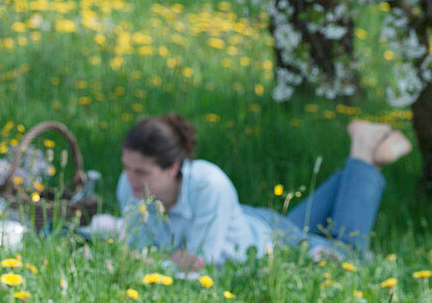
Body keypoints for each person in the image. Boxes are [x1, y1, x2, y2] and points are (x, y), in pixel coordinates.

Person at [116, 113, 412, 271]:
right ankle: (367, 159)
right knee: (310, 231)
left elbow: (198, 266)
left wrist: (155, 262)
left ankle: (363, 150)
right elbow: (139, 254)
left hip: (270, 244)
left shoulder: (208, 184)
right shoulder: (128, 185)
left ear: (173, 167)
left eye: (142, 172)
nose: (130, 179)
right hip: (252, 225)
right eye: (127, 167)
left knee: (348, 256)